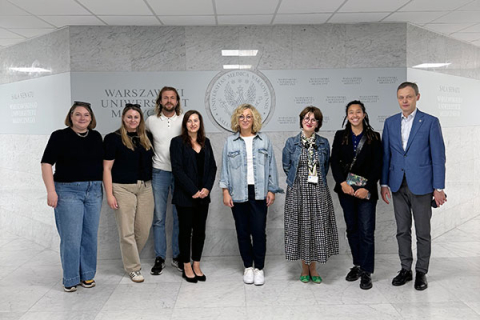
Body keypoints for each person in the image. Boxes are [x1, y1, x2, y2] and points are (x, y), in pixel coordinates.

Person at [381, 82, 446, 291]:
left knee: (422, 232)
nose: (405, 101)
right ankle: (405, 269)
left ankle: (421, 272)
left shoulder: (430, 122)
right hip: (397, 185)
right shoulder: (390, 123)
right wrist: (384, 183)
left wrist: (439, 187)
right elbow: (386, 157)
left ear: (417, 97)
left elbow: (438, 157)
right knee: (402, 230)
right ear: (397, 98)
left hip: (423, 185)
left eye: (409, 96)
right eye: (401, 97)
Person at [41, 101, 103, 292]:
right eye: (78, 114)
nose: (82, 118)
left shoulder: (96, 137)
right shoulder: (59, 136)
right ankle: (70, 278)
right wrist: (51, 191)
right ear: (71, 117)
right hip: (68, 191)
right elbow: (46, 164)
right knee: (71, 238)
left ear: (91, 118)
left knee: (90, 236)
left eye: (86, 115)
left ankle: (87, 276)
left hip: (93, 191)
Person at [220, 104, 282, 286]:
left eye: (248, 116)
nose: (245, 119)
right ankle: (248, 266)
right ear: (237, 120)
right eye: (241, 116)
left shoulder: (264, 141)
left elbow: (272, 167)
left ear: (254, 119)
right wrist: (225, 191)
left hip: (260, 191)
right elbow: (224, 168)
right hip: (238, 192)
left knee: (258, 231)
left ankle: (259, 268)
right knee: (242, 231)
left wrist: (272, 189)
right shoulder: (230, 142)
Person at [282, 106, 339, 284]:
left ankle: (313, 267)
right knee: (300, 228)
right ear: (301, 120)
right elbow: (286, 166)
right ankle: (303, 267)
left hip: (318, 191)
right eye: (306, 118)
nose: (309, 121)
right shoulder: (291, 142)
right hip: (297, 191)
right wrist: (299, 180)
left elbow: (326, 167)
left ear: (318, 124)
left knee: (317, 228)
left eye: (313, 119)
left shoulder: (323, 143)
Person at [330, 101, 382, 290]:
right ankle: (358, 265)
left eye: (358, 112)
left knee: (366, 231)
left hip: (366, 191)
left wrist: (367, 187)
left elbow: (378, 165)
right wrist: (342, 183)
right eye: (351, 112)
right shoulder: (340, 136)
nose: (354, 115)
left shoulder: (374, 137)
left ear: (364, 114)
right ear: (347, 115)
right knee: (352, 228)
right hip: (347, 190)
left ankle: (367, 271)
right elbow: (334, 161)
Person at [103, 104, 154, 283]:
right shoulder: (112, 139)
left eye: (136, 117)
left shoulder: (147, 137)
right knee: (126, 231)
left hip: (146, 188)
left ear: (140, 119)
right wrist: (109, 194)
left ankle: (129, 257)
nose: (133, 120)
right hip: (122, 188)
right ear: (123, 118)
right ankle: (133, 268)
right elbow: (107, 168)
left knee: (143, 229)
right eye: (129, 117)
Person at [170, 110, 217, 283]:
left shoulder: (206, 142)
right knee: (185, 232)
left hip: (203, 196)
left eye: (196, 120)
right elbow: (177, 169)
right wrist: (193, 190)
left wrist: (206, 188)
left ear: (200, 123)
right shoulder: (177, 143)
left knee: (200, 232)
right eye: (189, 121)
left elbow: (212, 168)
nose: (192, 124)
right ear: (185, 124)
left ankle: (196, 264)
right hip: (185, 197)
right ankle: (186, 265)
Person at [146, 86, 184, 275]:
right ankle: (160, 257)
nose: (169, 101)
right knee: (159, 218)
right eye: (165, 98)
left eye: (172, 98)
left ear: (177, 101)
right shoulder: (151, 121)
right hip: (159, 172)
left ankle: (177, 256)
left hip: (180, 175)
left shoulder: (185, 120)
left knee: (179, 217)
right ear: (160, 101)